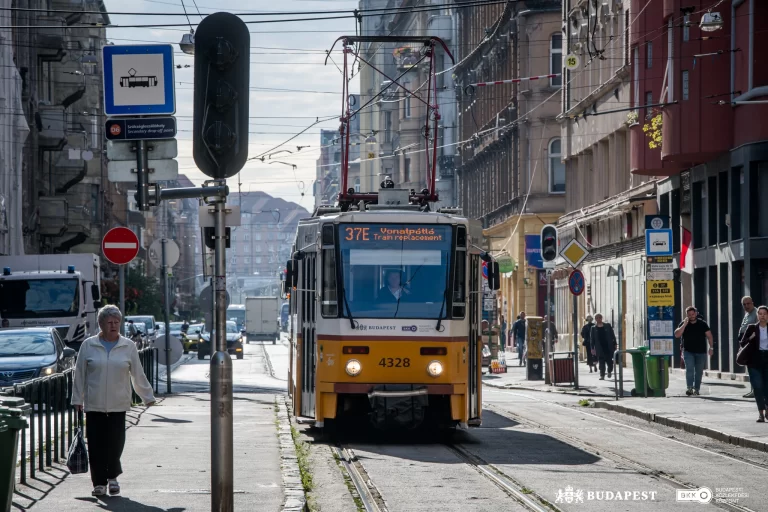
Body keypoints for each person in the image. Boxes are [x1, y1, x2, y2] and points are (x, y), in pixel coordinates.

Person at [71, 305, 156, 497]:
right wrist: (77, 399)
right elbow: (80, 375)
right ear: (101, 324)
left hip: (119, 403)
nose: (113, 325)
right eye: (109, 322)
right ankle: (99, 483)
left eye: (117, 322)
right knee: (96, 445)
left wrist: (147, 397)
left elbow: (137, 374)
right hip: (94, 404)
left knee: (116, 444)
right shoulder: (89, 345)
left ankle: (113, 478)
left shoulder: (128, 346)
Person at [674, 306, 714, 396]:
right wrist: (684, 325)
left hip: (701, 352)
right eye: (689, 315)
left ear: (696, 313)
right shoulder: (684, 324)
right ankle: (689, 388)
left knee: (699, 371)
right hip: (688, 351)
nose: (691, 316)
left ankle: (696, 389)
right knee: (690, 369)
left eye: (693, 314)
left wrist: (711, 348)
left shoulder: (702, 324)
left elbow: (709, 336)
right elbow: (677, 334)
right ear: (687, 315)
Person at [738, 305, 768, 422]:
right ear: (757, 315)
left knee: (767, 387)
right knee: (757, 387)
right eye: (760, 314)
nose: (762, 316)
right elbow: (742, 343)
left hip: (767, 359)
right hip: (754, 361)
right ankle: (761, 413)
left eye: (764, 313)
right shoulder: (751, 328)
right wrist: (751, 337)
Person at [740, 297, 758, 398]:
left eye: (748, 304)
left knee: (754, 369)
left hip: (753, 345)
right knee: (750, 369)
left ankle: (756, 390)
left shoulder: (756, 313)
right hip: (746, 345)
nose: (746, 306)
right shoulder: (747, 314)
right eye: (744, 304)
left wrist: (751, 338)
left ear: (752, 303)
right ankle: (753, 390)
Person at [590, 314, 617, 380]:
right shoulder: (593, 328)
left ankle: (609, 371)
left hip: (608, 346)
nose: (598, 319)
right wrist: (592, 348)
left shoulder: (607, 326)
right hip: (599, 347)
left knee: (609, 361)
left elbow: (612, 335)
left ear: (602, 318)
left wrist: (615, 343)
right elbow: (592, 339)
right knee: (601, 362)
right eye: (597, 318)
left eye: (600, 317)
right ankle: (602, 375)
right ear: (595, 319)